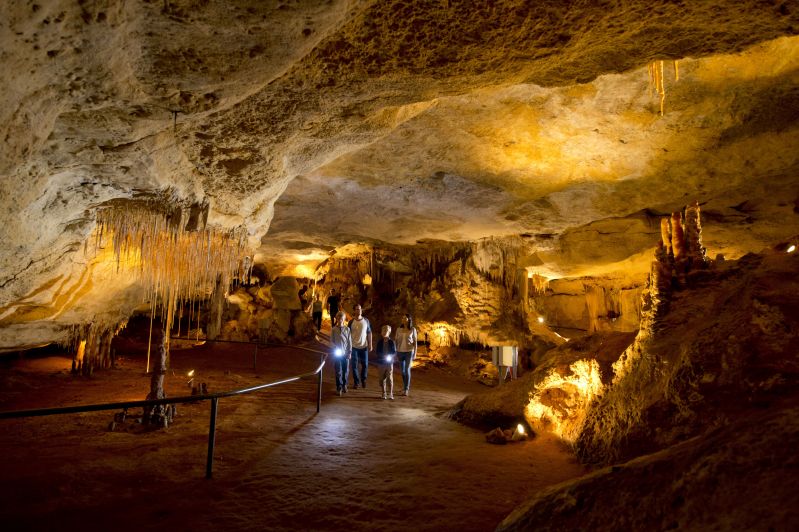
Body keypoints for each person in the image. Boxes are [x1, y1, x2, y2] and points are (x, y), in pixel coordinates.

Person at [348, 303, 372, 389]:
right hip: (354, 347)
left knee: (365, 364)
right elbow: (348, 335)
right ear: (354, 311)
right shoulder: (351, 322)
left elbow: (369, 333)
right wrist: (348, 347)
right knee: (354, 366)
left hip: (364, 347)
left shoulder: (366, 321)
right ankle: (356, 382)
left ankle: (364, 379)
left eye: (360, 309)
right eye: (357, 309)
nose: (359, 310)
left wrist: (370, 344)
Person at [395, 314, 417, 396]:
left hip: (409, 351)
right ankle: (404, 387)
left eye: (405, 318)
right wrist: (395, 351)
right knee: (402, 371)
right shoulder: (398, 329)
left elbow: (415, 342)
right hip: (400, 351)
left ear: (409, 319)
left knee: (407, 369)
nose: (403, 319)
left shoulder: (412, 329)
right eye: (402, 317)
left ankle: (406, 389)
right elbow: (396, 341)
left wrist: (415, 353)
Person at [330, 311, 352, 396]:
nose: (340, 320)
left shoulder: (347, 329)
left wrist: (349, 352)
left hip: (345, 353)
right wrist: (334, 347)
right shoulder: (334, 329)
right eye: (338, 318)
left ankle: (344, 385)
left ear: (344, 319)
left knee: (345, 370)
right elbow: (331, 341)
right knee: (338, 370)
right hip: (337, 353)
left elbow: (349, 341)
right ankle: (338, 386)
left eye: (341, 318)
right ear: (336, 319)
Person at [375, 325, 397, 400]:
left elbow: (394, 352)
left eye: (386, 331)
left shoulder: (391, 342)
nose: (384, 332)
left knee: (389, 378)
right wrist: (381, 356)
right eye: (383, 331)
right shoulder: (380, 342)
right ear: (381, 332)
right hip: (381, 362)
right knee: (381, 378)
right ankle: (383, 392)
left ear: (389, 332)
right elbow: (377, 351)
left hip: (389, 362)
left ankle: (390, 393)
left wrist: (390, 356)